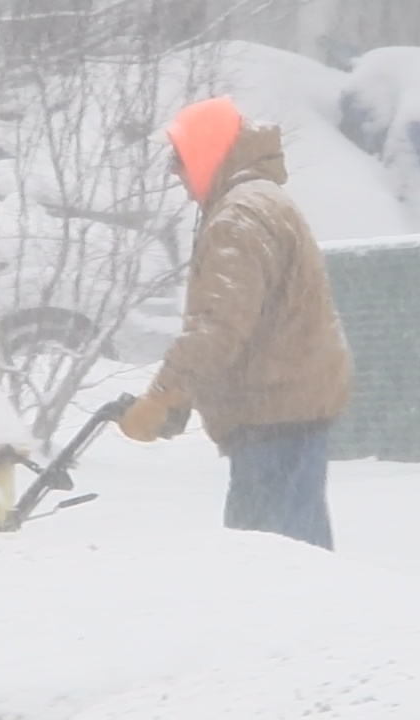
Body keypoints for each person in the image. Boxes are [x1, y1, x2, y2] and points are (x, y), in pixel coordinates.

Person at [117, 96, 354, 550]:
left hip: (274, 414)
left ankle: (299, 617)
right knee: (293, 553)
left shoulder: (239, 217)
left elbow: (219, 323)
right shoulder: (257, 202)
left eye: (180, 162)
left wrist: (165, 393)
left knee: (271, 560)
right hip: (287, 407)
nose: (179, 179)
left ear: (207, 153)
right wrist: (183, 396)